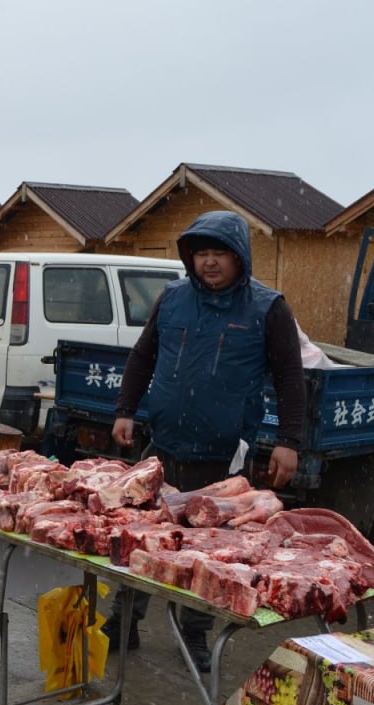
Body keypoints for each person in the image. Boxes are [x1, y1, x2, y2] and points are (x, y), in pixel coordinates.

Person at [103, 210, 305, 672]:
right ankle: (124, 620)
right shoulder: (173, 299)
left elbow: (290, 378)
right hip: (165, 444)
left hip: (222, 458)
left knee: (208, 551)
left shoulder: (267, 307)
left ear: (240, 258)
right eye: (202, 254)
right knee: (143, 537)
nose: (210, 263)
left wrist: (289, 440)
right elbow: (142, 356)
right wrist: (124, 409)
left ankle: (194, 633)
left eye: (220, 254)